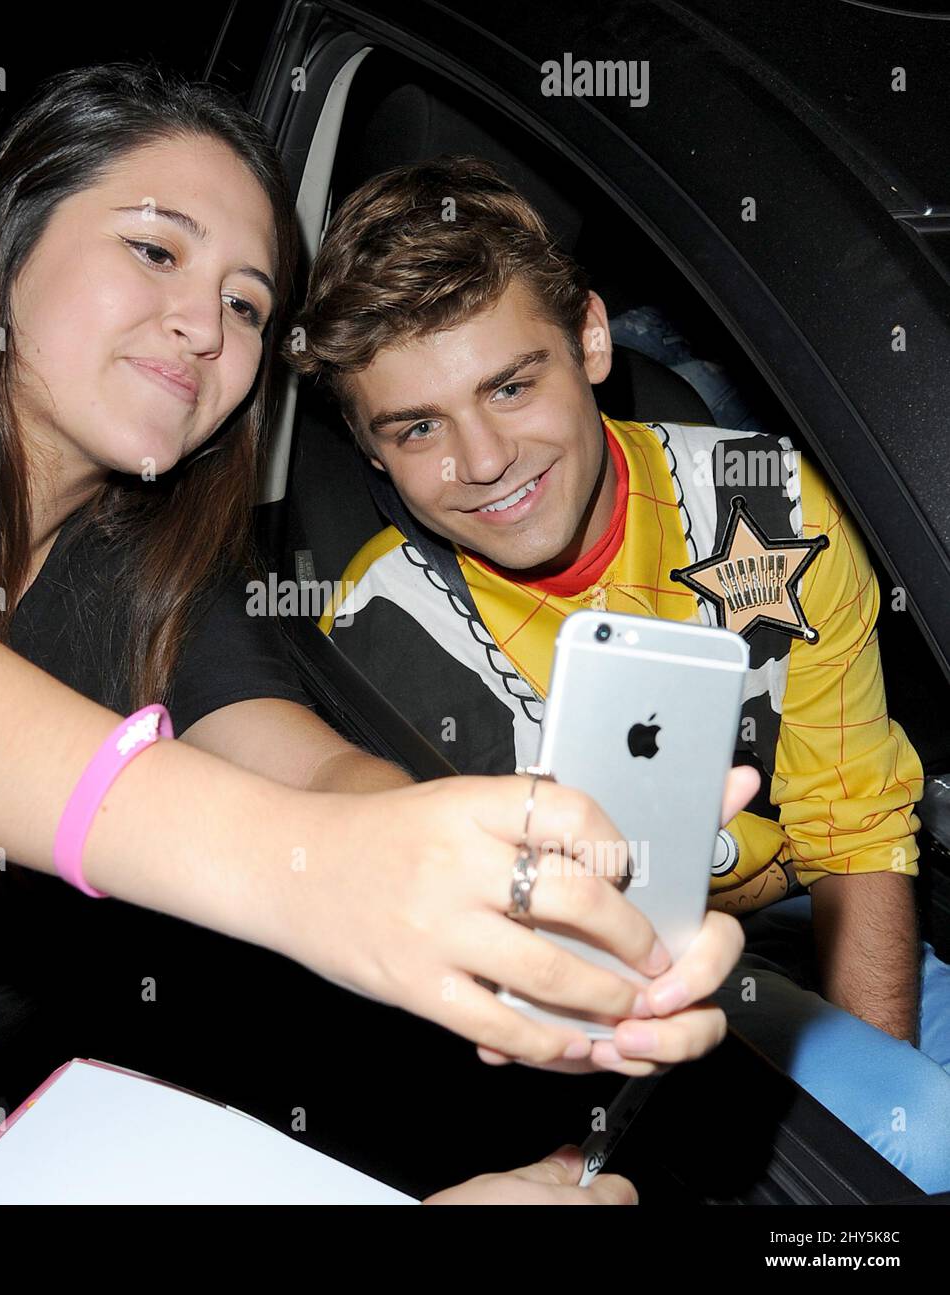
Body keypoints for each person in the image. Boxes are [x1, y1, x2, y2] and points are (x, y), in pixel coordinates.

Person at [0, 67, 749, 1206]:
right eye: (156, 250)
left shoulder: (158, 586)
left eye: (245, 304)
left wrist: (511, 890)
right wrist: (310, 872)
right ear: (5, 242)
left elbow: (315, 771)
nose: (202, 325)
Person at [291, 155, 950, 1192]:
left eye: (511, 386)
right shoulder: (379, 636)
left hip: (817, 915)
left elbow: (856, 826)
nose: (484, 459)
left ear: (591, 340)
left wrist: (874, 1120)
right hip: (625, 986)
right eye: (417, 427)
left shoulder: (768, 506)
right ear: (370, 452)